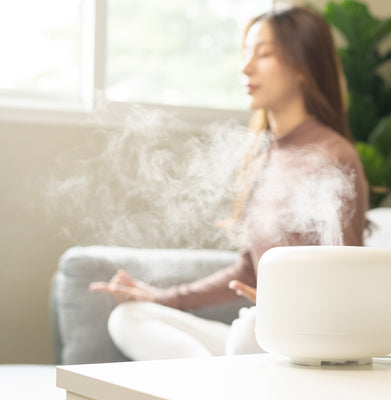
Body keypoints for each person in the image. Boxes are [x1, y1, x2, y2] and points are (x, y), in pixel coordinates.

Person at [89, 4, 369, 360]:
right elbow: (247, 271)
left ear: (303, 65)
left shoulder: (335, 156)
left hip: (302, 342)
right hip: (258, 336)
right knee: (129, 317)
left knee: (249, 333)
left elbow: (350, 281)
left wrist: (287, 310)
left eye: (263, 54)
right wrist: (160, 297)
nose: (246, 67)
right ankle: (218, 386)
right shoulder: (262, 157)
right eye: (245, 54)